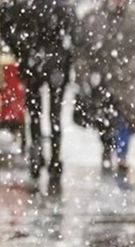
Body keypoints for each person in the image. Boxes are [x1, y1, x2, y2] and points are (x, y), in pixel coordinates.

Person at [74, 0, 135, 186]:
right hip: (102, 78)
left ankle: (121, 155)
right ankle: (107, 149)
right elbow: (83, 50)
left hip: (128, 78)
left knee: (128, 117)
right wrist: (83, 76)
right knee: (104, 119)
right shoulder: (93, 17)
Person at [0, 0, 75, 195]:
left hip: (33, 63)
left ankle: (38, 156)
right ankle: (54, 160)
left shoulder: (24, 6)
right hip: (53, 65)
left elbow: (8, 30)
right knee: (53, 116)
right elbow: (73, 34)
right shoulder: (60, 6)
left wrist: (23, 52)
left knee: (36, 114)